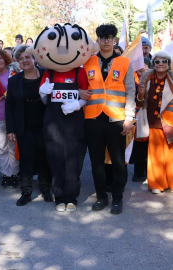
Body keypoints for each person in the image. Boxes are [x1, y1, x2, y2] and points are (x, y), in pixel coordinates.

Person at [28, 23, 99, 212]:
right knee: (56, 158)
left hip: (74, 123)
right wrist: (42, 93)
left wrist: (78, 103)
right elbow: (44, 100)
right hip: (52, 123)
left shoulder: (79, 71)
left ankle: (71, 197)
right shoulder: (48, 73)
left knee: (73, 159)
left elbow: (87, 93)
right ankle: (59, 196)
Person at [82, 24, 135, 215]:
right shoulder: (87, 62)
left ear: (114, 40)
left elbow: (130, 91)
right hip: (93, 119)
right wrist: (80, 92)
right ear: (98, 40)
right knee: (96, 162)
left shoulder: (124, 62)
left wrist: (129, 118)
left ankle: (118, 198)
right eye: (103, 38)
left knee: (119, 162)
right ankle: (101, 197)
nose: (106, 41)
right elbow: (82, 87)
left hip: (117, 119)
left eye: (110, 37)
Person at [6, 45, 52, 206]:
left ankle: (46, 188)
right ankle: (26, 191)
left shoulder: (47, 76)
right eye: (21, 59)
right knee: (26, 159)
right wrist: (10, 129)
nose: (25, 61)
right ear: (18, 62)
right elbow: (9, 106)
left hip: (44, 125)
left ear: (34, 59)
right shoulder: (13, 81)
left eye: (27, 57)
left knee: (43, 158)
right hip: (23, 126)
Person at [136, 51, 173, 194]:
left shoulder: (172, 79)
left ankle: (171, 182)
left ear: (169, 64)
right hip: (152, 122)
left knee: (170, 155)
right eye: (157, 61)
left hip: (170, 122)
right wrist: (140, 94)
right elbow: (140, 101)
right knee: (155, 154)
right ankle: (157, 184)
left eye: (164, 61)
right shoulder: (147, 78)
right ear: (154, 64)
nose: (161, 64)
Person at [0, 49, 20, 188]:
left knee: (12, 147)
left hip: (12, 117)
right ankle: (5, 174)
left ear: (5, 59)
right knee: (1, 148)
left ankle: (13, 174)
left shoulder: (14, 74)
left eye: (0, 58)